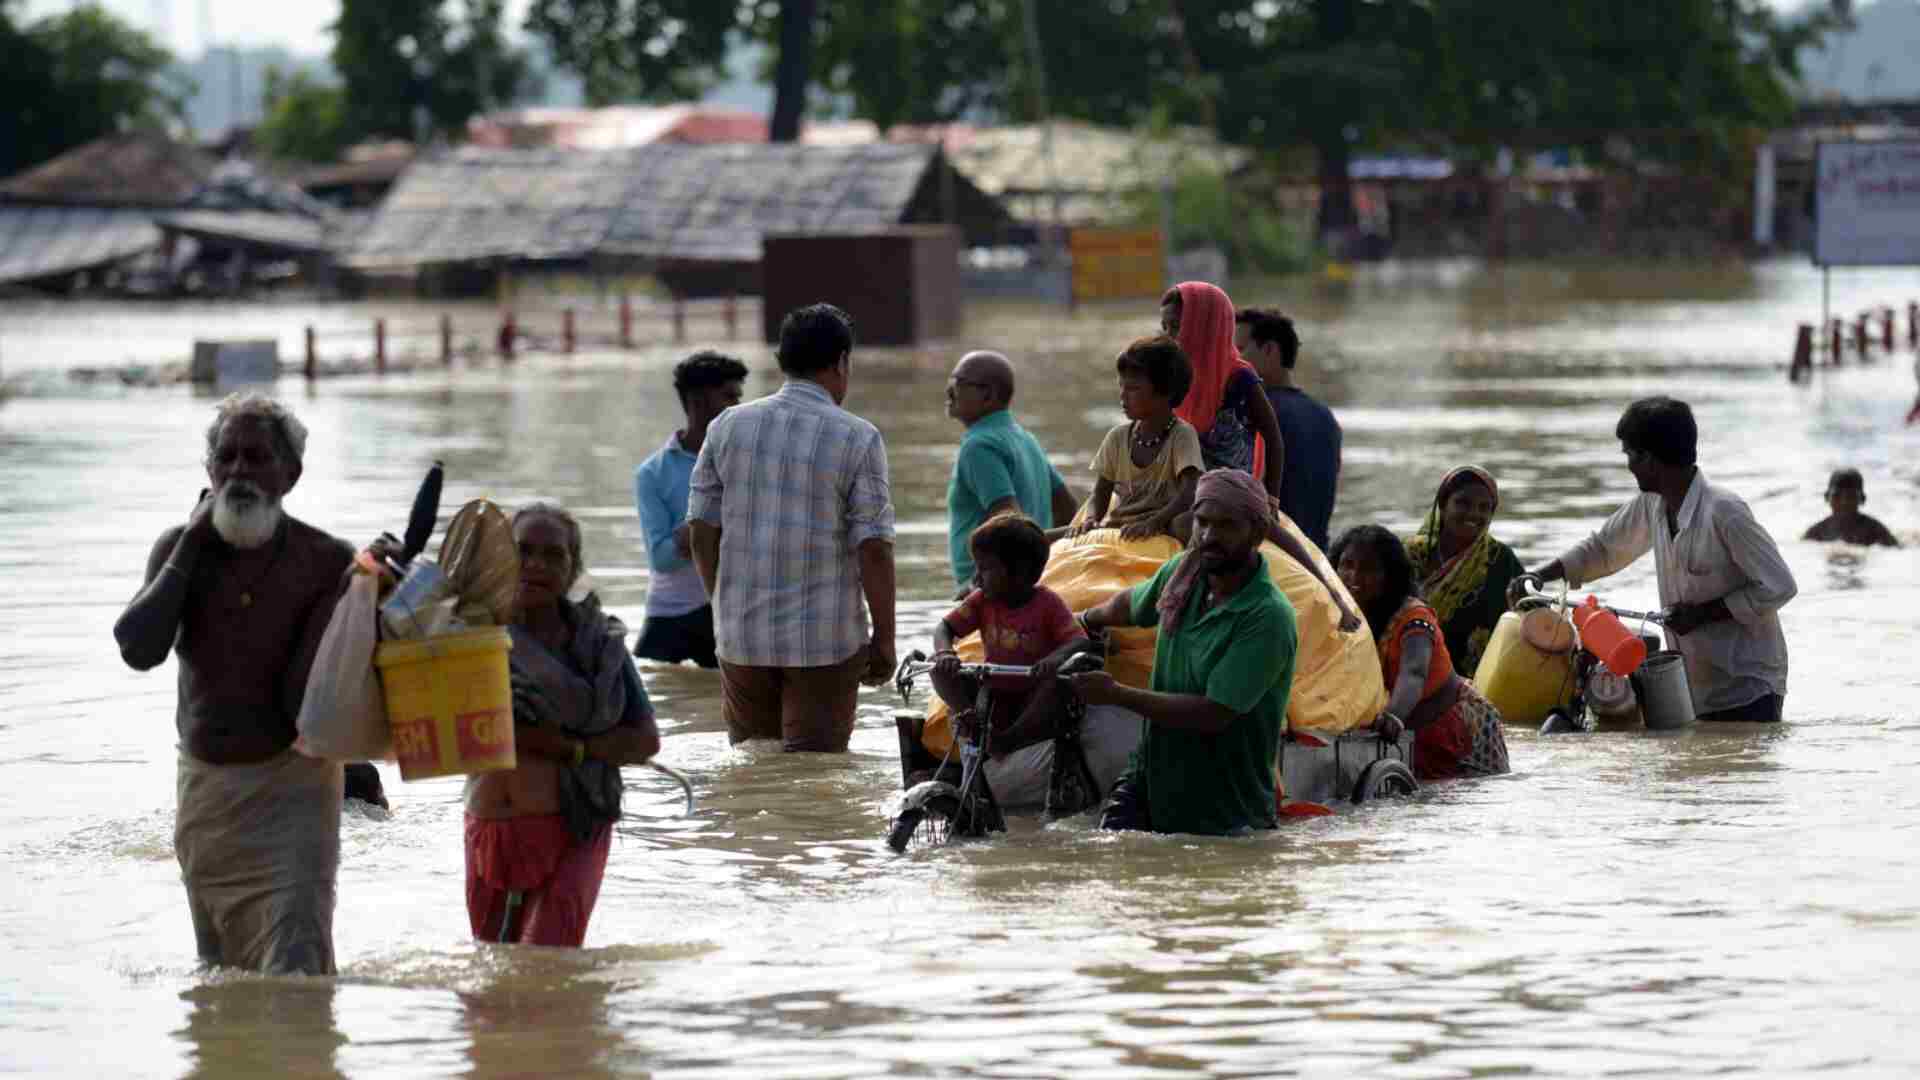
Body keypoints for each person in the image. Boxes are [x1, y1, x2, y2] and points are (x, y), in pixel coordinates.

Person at [112, 392, 355, 974]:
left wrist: (375, 586)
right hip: (206, 795)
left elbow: (311, 699)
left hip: (295, 791)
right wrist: (193, 545)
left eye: (257, 457)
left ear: (290, 474)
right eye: (228, 457)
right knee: (222, 974)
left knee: (297, 969)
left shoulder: (325, 560)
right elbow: (137, 650)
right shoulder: (179, 548)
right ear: (209, 470)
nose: (240, 471)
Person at [688, 303, 897, 752]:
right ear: (842, 362)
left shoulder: (726, 426)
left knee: (755, 768)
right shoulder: (858, 437)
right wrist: (885, 638)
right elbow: (874, 546)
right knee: (814, 774)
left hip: (742, 636)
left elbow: (702, 530)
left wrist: (720, 603)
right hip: (825, 640)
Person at [1529, 397, 1797, 723]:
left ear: (1651, 460)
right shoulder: (1651, 505)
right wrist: (1539, 576)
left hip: (1749, 686)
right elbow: (1603, 548)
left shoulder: (1724, 512)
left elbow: (1780, 586)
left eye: (1630, 455)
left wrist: (1702, 615)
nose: (1628, 465)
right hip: (1693, 685)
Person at [466, 503, 660, 946]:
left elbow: (645, 740)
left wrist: (569, 750)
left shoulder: (599, 645)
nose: (536, 565)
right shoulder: (469, 635)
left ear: (573, 569)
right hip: (488, 826)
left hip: (576, 828)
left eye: (553, 555)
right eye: (523, 552)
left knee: (547, 962)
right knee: (492, 979)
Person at [1067, 469, 1298, 836]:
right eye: (1202, 522)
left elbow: (1213, 713)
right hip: (1151, 778)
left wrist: (1116, 695)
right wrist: (1082, 621)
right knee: (1109, 857)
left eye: (1225, 526)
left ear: (1256, 534)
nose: (1208, 536)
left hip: (1224, 807)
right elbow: (1130, 605)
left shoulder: (1267, 617)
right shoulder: (1184, 575)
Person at [1332, 525, 1510, 781]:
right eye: (1346, 565)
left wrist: (1393, 715)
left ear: (1389, 576)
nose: (1354, 576)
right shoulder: (1342, 613)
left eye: (1369, 569)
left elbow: (1414, 673)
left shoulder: (1414, 617)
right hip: (1398, 730)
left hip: (1450, 730)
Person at [931, 515, 1090, 758]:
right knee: (936, 668)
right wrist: (945, 653)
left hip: (1034, 694)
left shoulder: (1048, 603)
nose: (975, 578)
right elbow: (945, 628)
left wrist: (1054, 660)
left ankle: (1008, 740)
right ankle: (969, 718)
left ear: (1020, 573)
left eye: (985, 568)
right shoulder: (981, 600)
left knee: (1060, 684)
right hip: (994, 690)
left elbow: (1079, 641)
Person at [633, 350, 749, 667]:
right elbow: (662, 559)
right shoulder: (652, 473)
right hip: (673, 611)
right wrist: (707, 517)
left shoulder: (749, 463)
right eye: (729, 397)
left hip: (734, 608)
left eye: (738, 397)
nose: (737, 407)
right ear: (697, 400)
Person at [944, 349, 1079, 593]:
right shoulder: (1025, 438)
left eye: (959, 382)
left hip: (988, 588)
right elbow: (1068, 507)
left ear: (988, 394)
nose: (949, 391)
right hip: (1033, 580)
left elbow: (1008, 525)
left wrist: (981, 584)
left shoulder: (979, 445)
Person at [1061, 335, 1206, 542]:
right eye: (1121, 387)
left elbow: (1189, 492)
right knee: (1050, 537)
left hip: (1163, 526)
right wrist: (1091, 518)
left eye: (1133, 389)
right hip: (1119, 527)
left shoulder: (1182, 435)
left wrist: (1154, 522)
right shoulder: (1116, 437)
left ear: (1165, 392)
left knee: (1185, 522)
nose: (1122, 396)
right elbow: (1100, 492)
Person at [1162, 282, 1286, 498]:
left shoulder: (1240, 378)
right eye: (1165, 327)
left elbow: (1273, 439)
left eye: (1176, 326)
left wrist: (1271, 498)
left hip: (1227, 496)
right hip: (1181, 492)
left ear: (1203, 325)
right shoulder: (1172, 374)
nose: (1169, 336)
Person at [1234, 306, 1343, 552]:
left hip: (1271, 553)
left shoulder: (1251, 412)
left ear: (1270, 350)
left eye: (1239, 350)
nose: (1231, 360)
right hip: (1316, 552)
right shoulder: (1324, 415)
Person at [1402, 466, 1527, 678]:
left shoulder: (1502, 561)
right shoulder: (1408, 556)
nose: (1473, 514)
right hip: (1405, 670)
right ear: (1442, 505)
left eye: (1484, 507)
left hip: (1474, 682)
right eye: (1463, 503)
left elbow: (1528, 618)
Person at [1803, 468, 1899, 547]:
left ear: (1862, 499)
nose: (1844, 502)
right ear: (1827, 497)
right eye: (1837, 496)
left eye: (1851, 497)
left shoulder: (1874, 530)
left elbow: (1896, 550)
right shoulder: (1817, 532)